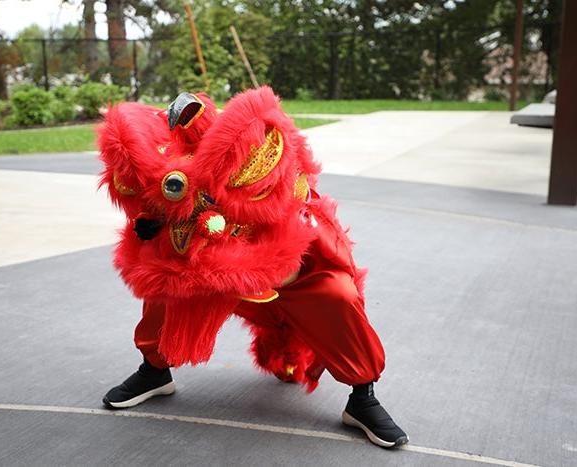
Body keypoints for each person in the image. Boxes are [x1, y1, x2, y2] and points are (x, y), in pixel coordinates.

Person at [98, 87, 408, 448]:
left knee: (336, 294)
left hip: (282, 268)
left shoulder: (274, 179)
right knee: (165, 280)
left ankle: (362, 396)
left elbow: (313, 250)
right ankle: (155, 369)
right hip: (210, 263)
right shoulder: (172, 174)